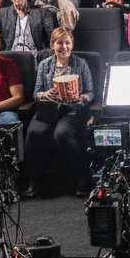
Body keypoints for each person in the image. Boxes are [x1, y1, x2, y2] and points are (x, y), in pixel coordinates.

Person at [22, 28, 94, 199]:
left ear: (72, 44)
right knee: (33, 132)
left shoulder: (81, 63)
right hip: (49, 109)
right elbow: (36, 93)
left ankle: (81, 177)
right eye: (59, 43)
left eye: (67, 42)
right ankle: (33, 179)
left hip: (72, 110)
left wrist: (82, 97)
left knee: (62, 133)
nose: (64, 46)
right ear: (52, 45)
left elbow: (91, 92)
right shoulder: (44, 64)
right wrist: (44, 94)